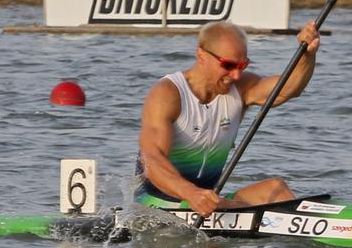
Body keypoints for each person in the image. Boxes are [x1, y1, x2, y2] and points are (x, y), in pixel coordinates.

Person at [137, 20, 320, 217]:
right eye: (229, 65)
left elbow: (287, 89)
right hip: (156, 205)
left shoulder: (241, 89)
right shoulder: (168, 94)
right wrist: (191, 194)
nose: (236, 75)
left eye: (242, 66)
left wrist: (307, 55)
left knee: (276, 188)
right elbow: (152, 161)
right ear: (201, 55)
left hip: (206, 202)